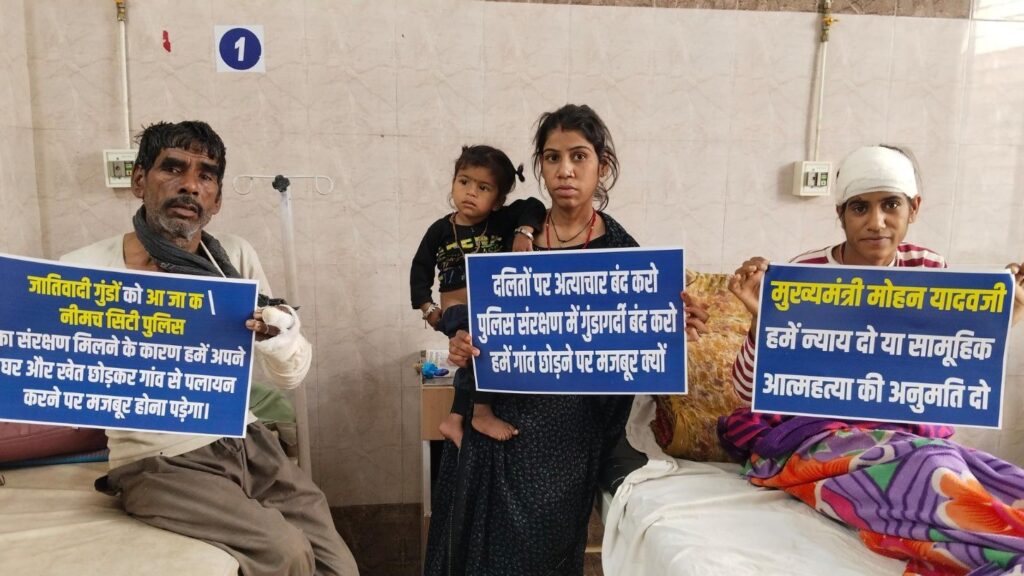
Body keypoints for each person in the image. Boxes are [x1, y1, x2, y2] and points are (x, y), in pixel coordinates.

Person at [60, 121, 358, 576]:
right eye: (173, 169)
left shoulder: (233, 260)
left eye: (206, 176)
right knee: (284, 551)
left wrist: (279, 337)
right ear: (140, 180)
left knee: (338, 564)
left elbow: (290, 376)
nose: (189, 185)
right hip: (159, 460)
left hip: (249, 441)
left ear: (216, 200)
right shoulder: (84, 270)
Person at [423, 104, 708, 576]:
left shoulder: (623, 253)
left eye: (579, 157)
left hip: (566, 436)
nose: (565, 170)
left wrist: (672, 323)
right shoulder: (508, 239)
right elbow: (472, 313)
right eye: (552, 158)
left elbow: (633, 343)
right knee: (466, 547)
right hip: (492, 419)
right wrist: (461, 340)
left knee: (540, 554)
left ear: (604, 166)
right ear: (540, 167)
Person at [722, 144, 1024, 575]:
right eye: (860, 208)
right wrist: (762, 323)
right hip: (823, 434)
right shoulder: (805, 274)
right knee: (932, 467)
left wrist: (1003, 319)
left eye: (891, 205)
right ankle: (983, 539)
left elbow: (946, 371)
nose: (876, 222)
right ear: (841, 215)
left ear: (913, 208)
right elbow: (747, 391)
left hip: (908, 430)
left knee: (996, 477)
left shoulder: (931, 271)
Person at [410, 145, 545, 447]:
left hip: (488, 312)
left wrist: (524, 231)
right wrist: (428, 308)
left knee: (474, 357)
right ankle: (480, 413)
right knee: (479, 347)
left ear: (497, 201)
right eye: (464, 181)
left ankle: (453, 419)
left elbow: (534, 205)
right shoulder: (439, 230)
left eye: (483, 188)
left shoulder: (499, 222)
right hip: (456, 310)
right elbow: (419, 271)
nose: (470, 192)